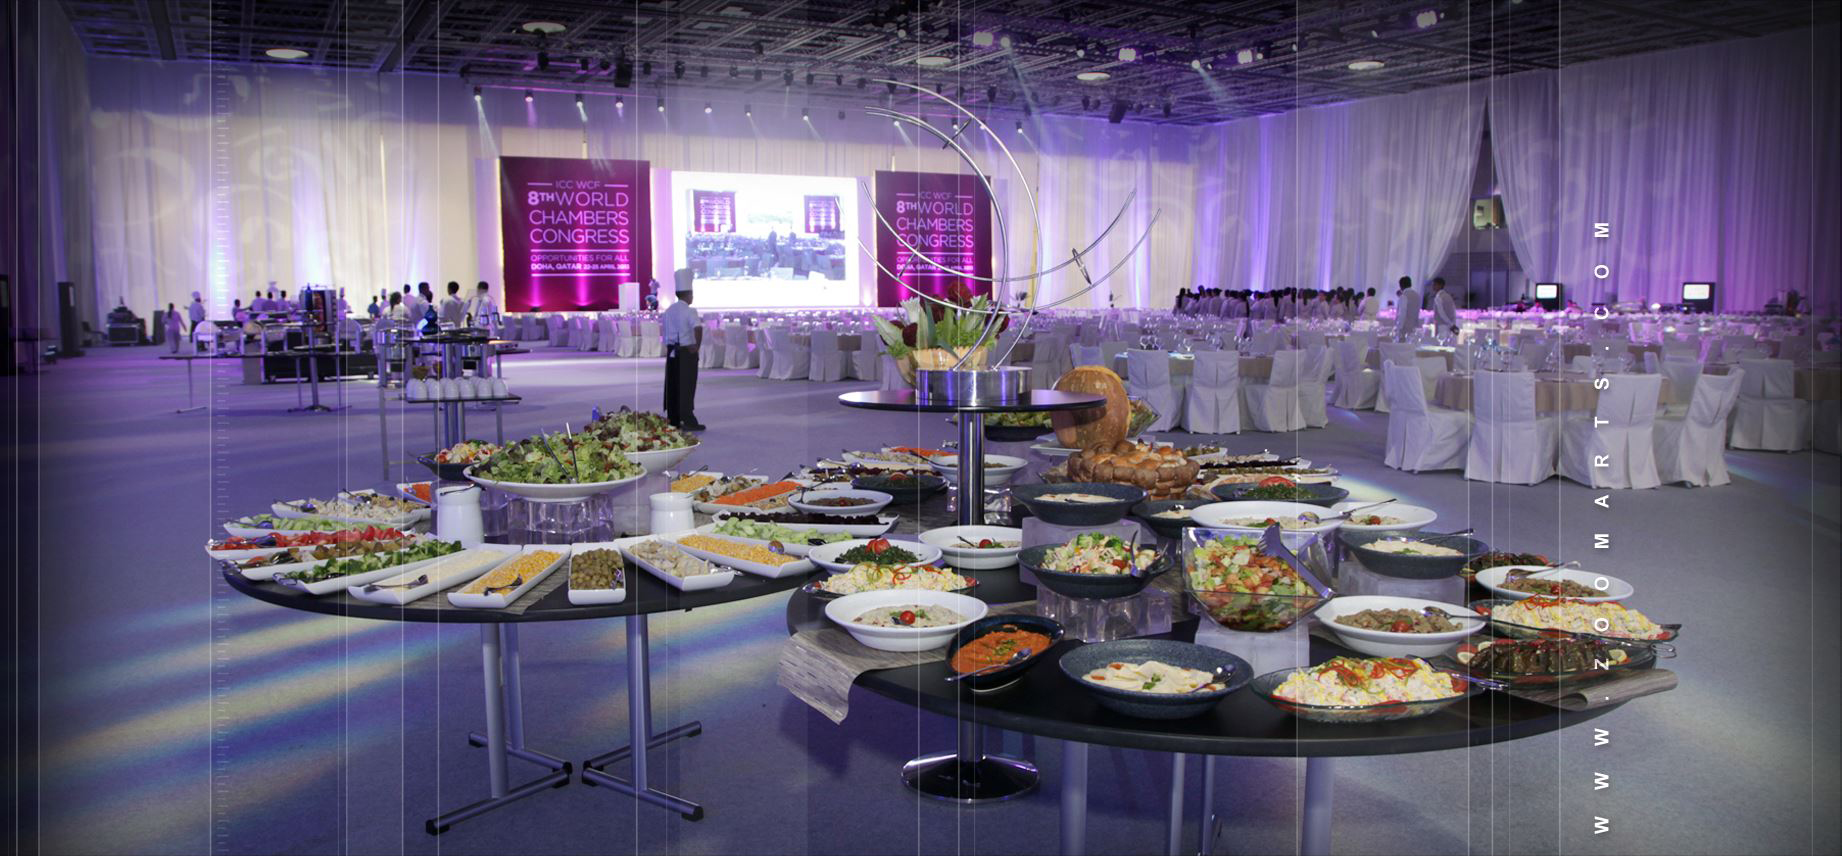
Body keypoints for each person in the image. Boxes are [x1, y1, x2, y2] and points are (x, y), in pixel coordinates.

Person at [660, 269, 705, 431]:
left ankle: (673, 419)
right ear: (688, 294)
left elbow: (664, 332)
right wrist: (697, 347)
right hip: (686, 352)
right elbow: (698, 328)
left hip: (672, 352)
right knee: (687, 385)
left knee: (672, 385)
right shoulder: (690, 311)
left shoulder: (669, 310)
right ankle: (688, 418)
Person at [1394, 276, 1422, 340]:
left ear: (1401, 285)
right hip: (1414, 325)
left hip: (1405, 327)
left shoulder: (1404, 296)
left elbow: (1402, 313)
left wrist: (1399, 327)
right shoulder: (1417, 295)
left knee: (1402, 344)